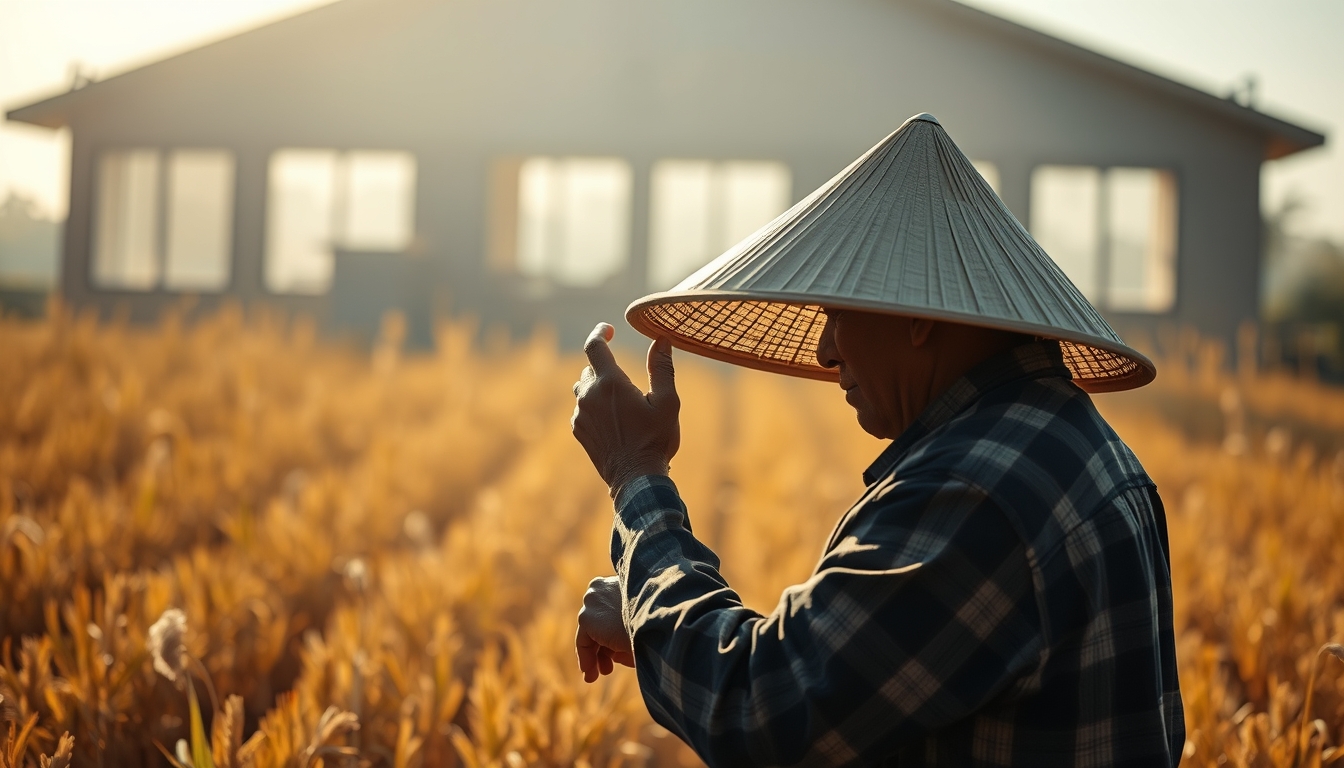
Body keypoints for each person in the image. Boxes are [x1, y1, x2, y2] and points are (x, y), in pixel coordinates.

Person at [570, 114, 1183, 766]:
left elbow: (765, 711)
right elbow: (869, 692)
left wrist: (635, 473)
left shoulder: (975, 491)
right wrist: (653, 625)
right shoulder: (1074, 448)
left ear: (918, 317)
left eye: (838, 313)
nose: (826, 349)